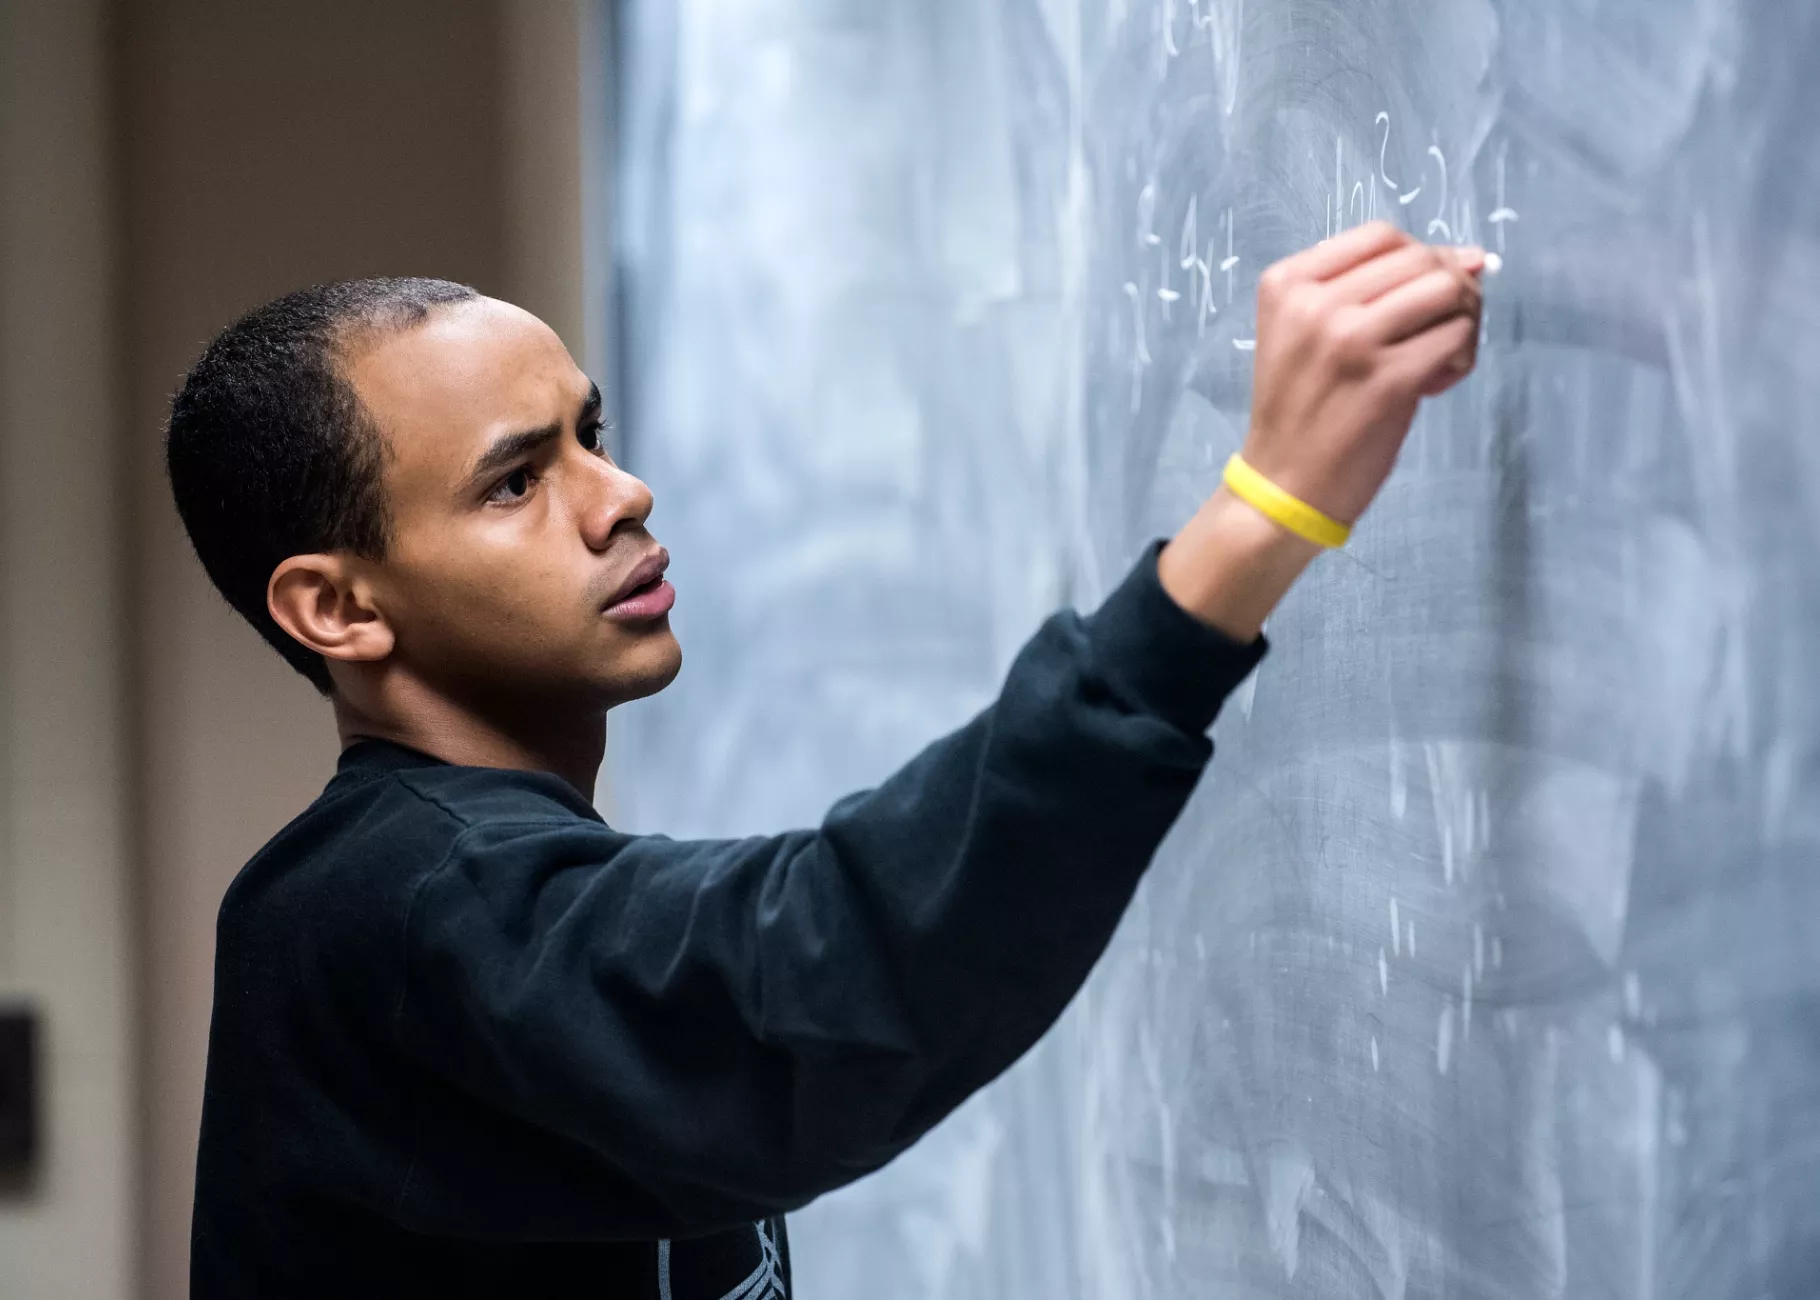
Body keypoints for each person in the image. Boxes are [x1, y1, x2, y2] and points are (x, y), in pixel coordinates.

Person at [168, 220, 1485, 1298]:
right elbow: (824, 967)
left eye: (591, 435)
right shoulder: (382, 914)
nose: (620, 495)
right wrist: (1258, 515)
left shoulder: (466, 876)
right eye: (515, 482)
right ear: (338, 609)